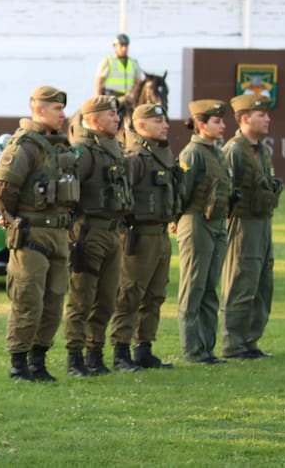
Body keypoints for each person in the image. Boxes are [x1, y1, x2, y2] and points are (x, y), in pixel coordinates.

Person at [0, 85, 78, 382]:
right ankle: (19, 363)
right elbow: (4, 190)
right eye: (57, 109)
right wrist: (11, 220)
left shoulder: (60, 146)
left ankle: (38, 361)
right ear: (39, 110)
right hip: (31, 235)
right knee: (28, 299)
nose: (62, 114)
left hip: (58, 233)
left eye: (63, 108)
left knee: (54, 301)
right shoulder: (25, 146)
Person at [64, 95, 133, 376]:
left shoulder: (113, 148)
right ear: (93, 119)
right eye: (111, 114)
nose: (117, 119)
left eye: (117, 114)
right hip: (88, 232)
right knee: (82, 298)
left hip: (113, 232)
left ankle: (95, 353)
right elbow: (69, 191)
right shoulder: (83, 151)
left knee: (107, 298)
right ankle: (74, 357)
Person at [109, 103, 181, 370]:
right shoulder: (134, 158)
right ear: (140, 125)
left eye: (165, 120)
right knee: (130, 294)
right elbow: (120, 198)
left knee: (155, 294)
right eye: (158, 121)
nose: (165, 125)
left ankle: (144, 348)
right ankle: (120, 351)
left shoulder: (162, 156)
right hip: (137, 236)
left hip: (160, 235)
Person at [220, 95, 280, 359]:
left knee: (262, 283)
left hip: (263, 221)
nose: (267, 119)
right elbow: (225, 191)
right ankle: (233, 344)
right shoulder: (233, 151)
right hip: (243, 224)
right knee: (241, 281)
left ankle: (249, 340)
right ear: (245, 118)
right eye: (261, 115)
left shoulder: (262, 150)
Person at [176, 99, 231, 364]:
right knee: (193, 287)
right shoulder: (192, 153)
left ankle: (207, 348)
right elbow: (181, 192)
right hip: (196, 222)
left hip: (217, 224)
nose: (223, 126)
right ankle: (192, 350)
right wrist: (177, 219)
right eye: (216, 121)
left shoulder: (217, 153)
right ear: (200, 124)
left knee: (210, 287)